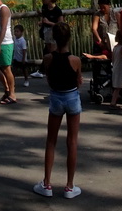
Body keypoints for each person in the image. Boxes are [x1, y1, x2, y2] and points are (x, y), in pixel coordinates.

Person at [32, 22, 83, 199]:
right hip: (72, 98)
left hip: (56, 97)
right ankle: (69, 186)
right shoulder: (75, 60)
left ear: (54, 38)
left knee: (51, 141)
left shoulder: (48, 58)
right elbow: (79, 81)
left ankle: (47, 183)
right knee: (72, 141)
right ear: (70, 38)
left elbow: (48, 77)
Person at [32, 0, 64, 79]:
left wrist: (49, 22)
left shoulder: (57, 10)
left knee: (53, 52)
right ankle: (48, 70)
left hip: (53, 31)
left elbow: (60, 24)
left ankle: (56, 70)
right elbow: (44, 17)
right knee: (48, 50)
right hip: (46, 31)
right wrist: (42, 22)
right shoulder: (45, 7)